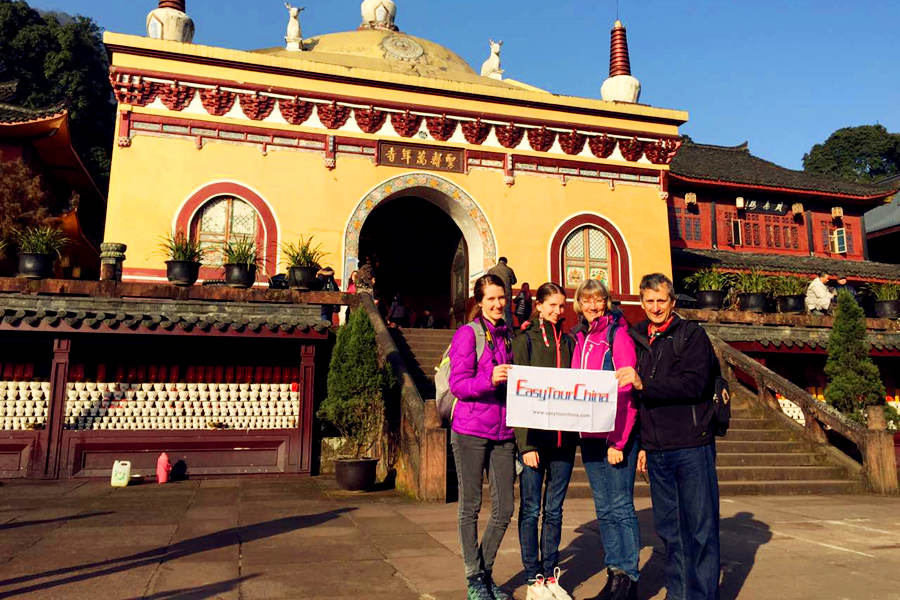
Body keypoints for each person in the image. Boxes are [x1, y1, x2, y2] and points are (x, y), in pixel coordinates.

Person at [616, 273, 721, 600]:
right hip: (658, 451)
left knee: (701, 530)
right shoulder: (640, 339)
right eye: (649, 301)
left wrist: (645, 384)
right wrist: (645, 445)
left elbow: (695, 384)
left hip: (691, 445)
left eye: (662, 300)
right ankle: (678, 594)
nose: (656, 307)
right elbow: (640, 404)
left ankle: (703, 595)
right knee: (670, 532)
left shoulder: (691, 336)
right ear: (642, 302)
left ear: (672, 302)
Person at [572, 279, 640, 600]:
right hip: (589, 437)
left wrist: (619, 441)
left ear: (607, 302)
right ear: (579, 304)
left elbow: (626, 389)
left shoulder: (618, 334)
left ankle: (628, 577)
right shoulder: (580, 338)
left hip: (614, 436)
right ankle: (614, 575)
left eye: (598, 300)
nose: (592, 306)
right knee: (604, 509)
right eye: (586, 301)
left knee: (621, 506)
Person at [448, 274, 516, 600]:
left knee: (504, 509)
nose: (497, 304)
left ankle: (484, 572)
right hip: (470, 431)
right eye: (490, 298)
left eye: (501, 297)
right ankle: (474, 577)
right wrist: (489, 379)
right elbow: (458, 384)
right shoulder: (468, 334)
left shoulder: (507, 336)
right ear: (479, 301)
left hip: (504, 432)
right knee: (470, 507)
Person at [511, 282, 577, 600]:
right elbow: (519, 392)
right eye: (551, 305)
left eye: (561, 305)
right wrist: (525, 445)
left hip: (564, 440)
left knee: (554, 510)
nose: (557, 311)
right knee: (530, 510)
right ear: (538, 305)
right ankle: (532, 577)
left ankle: (551, 575)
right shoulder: (525, 340)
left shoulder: (568, 341)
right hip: (535, 440)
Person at [488, 257, 517, 325]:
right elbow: (514, 281)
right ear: (506, 262)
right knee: (507, 313)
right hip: (506, 294)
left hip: (494, 294)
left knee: (494, 311)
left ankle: (494, 328)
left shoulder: (492, 270)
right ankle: (509, 332)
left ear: (499, 261)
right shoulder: (509, 270)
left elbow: (487, 281)